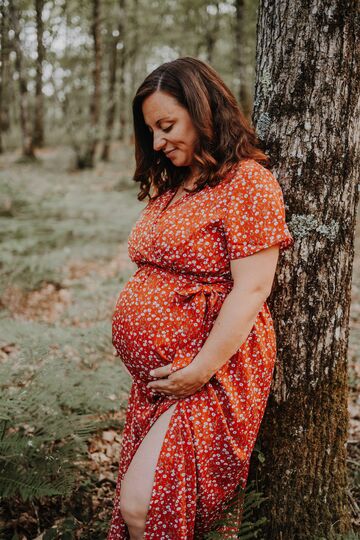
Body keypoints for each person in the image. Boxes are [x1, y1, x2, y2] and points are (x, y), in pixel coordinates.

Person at [107, 56, 294, 540]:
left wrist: (199, 370)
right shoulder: (177, 185)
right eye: (151, 131)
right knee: (151, 512)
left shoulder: (248, 182)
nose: (158, 142)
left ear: (202, 108)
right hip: (163, 380)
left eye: (167, 125)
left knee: (143, 509)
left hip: (211, 372)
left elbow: (253, 287)